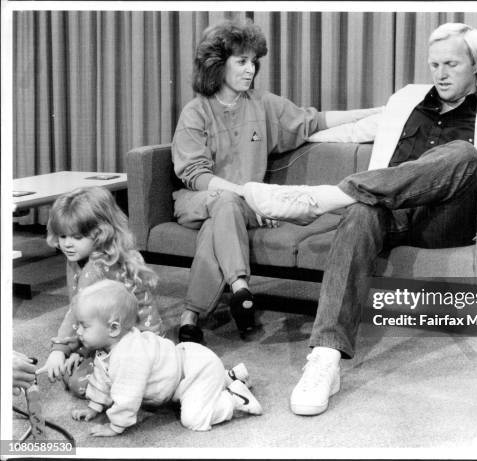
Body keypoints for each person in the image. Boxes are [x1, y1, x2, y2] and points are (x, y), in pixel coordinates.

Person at [242, 22, 477, 416]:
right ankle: (325, 358)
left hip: (447, 220)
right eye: (434, 64)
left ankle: (327, 198)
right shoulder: (407, 100)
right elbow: (356, 130)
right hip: (390, 213)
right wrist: (283, 141)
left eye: (451, 64)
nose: (440, 74)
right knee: (359, 210)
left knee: (463, 154)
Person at [171, 19, 381, 343]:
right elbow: (196, 176)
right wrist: (244, 191)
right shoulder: (196, 112)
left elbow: (313, 120)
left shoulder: (263, 104)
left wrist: (378, 110)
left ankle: (192, 316)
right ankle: (239, 286)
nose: (250, 69)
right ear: (217, 64)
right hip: (199, 200)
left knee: (219, 223)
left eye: (253, 62)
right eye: (241, 61)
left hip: (242, 208)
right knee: (224, 202)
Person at [70, 280, 262, 436]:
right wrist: (94, 407)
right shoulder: (108, 348)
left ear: (113, 329)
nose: (78, 332)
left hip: (194, 372)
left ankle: (235, 398)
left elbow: (127, 396)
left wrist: (115, 426)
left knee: (194, 420)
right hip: (188, 362)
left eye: (84, 326)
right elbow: (103, 378)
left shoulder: (129, 356)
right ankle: (229, 376)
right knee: (201, 393)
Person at [40, 186, 165, 397]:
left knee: (79, 383)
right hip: (116, 330)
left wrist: (60, 350)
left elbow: (77, 310)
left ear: (100, 234)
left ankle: (137, 385)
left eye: (77, 237)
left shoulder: (96, 267)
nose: (67, 244)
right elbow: (88, 312)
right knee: (75, 367)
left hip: (137, 343)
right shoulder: (82, 256)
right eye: (62, 236)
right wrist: (81, 349)